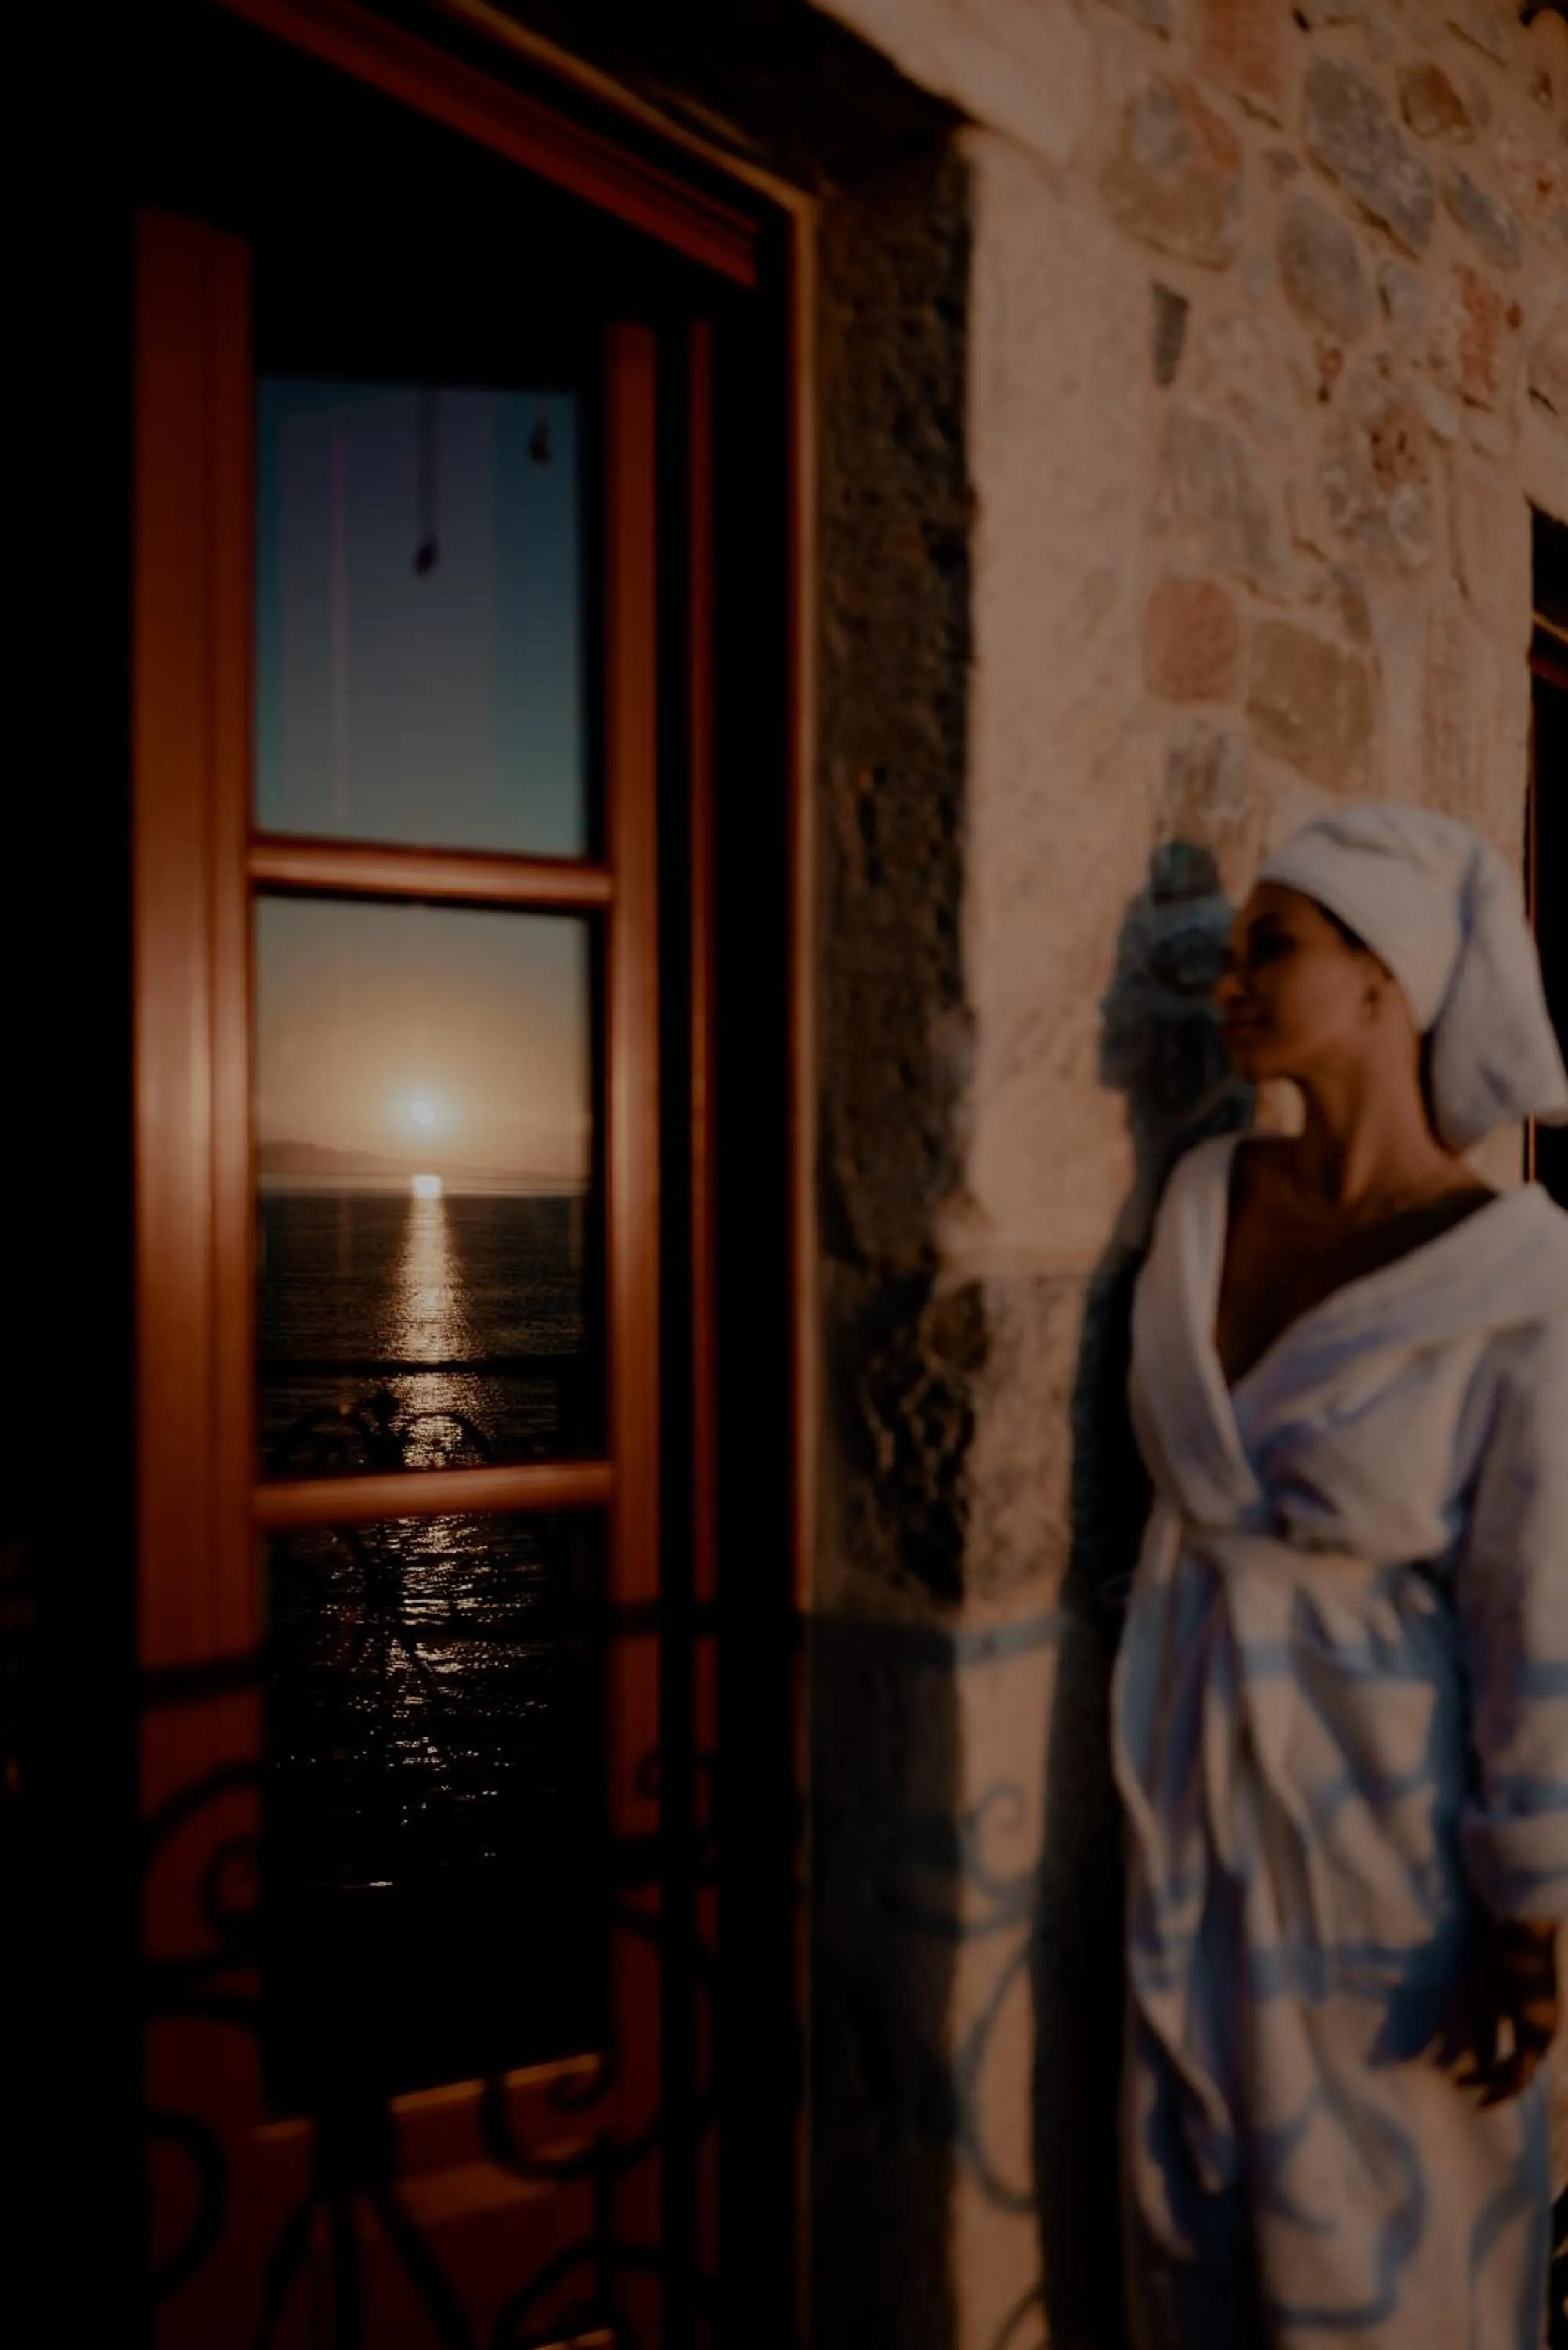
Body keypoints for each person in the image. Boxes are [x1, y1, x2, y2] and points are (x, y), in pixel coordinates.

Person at [1112, 802, 1568, 2349]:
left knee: (1398, 2246)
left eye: (1272, 946)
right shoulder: (1196, 1207)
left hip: (1394, 1843)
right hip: (1193, 1801)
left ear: (1388, 980)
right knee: (1197, 2230)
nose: (1228, 982)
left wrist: (1527, 1907)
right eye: (1232, 948)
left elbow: (1533, 1610)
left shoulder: (1516, 1275)